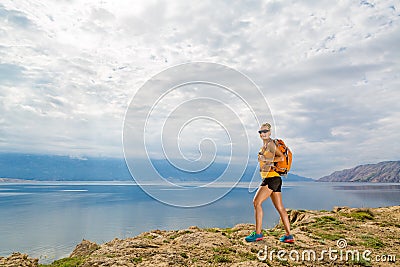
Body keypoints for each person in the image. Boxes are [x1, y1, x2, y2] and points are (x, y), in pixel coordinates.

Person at [245, 122, 294, 243]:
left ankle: (258, 234)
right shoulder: (265, 146)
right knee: (280, 208)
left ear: (270, 132)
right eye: (261, 132)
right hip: (275, 179)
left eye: (265, 131)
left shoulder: (271, 144)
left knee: (256, 202)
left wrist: (267, 160)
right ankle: (289, 235)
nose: (263, 134)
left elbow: (281, 157)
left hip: (271, 178)